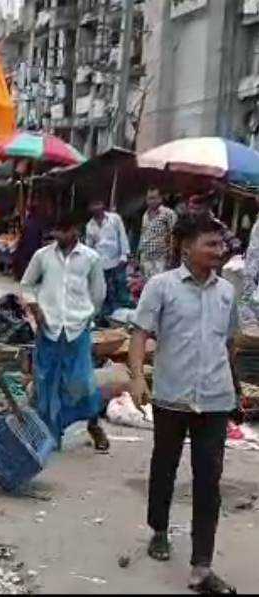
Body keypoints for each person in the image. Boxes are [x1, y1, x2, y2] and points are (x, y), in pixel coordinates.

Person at [129, 214, 238, 595]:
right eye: (210, 244)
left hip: (215, 398)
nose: (218, 251)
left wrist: (235, 388)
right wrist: (137, 375)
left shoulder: (227, 292)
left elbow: (229, 342)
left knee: (209, 480)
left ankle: (201, 567)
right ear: (186, 247)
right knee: (165, 466)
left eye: (221, 245)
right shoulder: (161, 287)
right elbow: (140, 331)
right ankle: (159, 528)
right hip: (172, 396)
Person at [21, 212, 109, 451]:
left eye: (64, 230)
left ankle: (94, 425)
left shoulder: (90, 258)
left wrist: (85, 314)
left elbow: (98, 293)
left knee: (82, 381)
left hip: (76, 328)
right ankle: (49, 433)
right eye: (56, 231)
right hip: (48, 327)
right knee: (45, 381)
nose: (59, 235)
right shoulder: (42, 256)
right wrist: (35, 308)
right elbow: (26, 284)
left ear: (76, 232)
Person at [85, 199, 131, 322]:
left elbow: (122, 236)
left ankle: (127, 317)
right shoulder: (90, 226)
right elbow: (89, 247)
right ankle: (107, 319)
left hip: (117, 261)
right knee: (104, 293)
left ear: (102, 205)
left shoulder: (114, 219)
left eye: (98, 204)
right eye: (93, 205)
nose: (96, 207)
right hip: (101, 264)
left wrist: (124, 255)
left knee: (121, 289)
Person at [138, 187, 177, 279]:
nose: (150, 201)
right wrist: (139, 254)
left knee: (160, 285)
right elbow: (143, 234)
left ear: (160, 198)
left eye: (153, 198)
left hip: (160, 258)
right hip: (146, 258)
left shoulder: (168, 213)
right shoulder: (145, 214)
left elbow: (173, 234)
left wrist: (171, 256)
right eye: (149, 198)